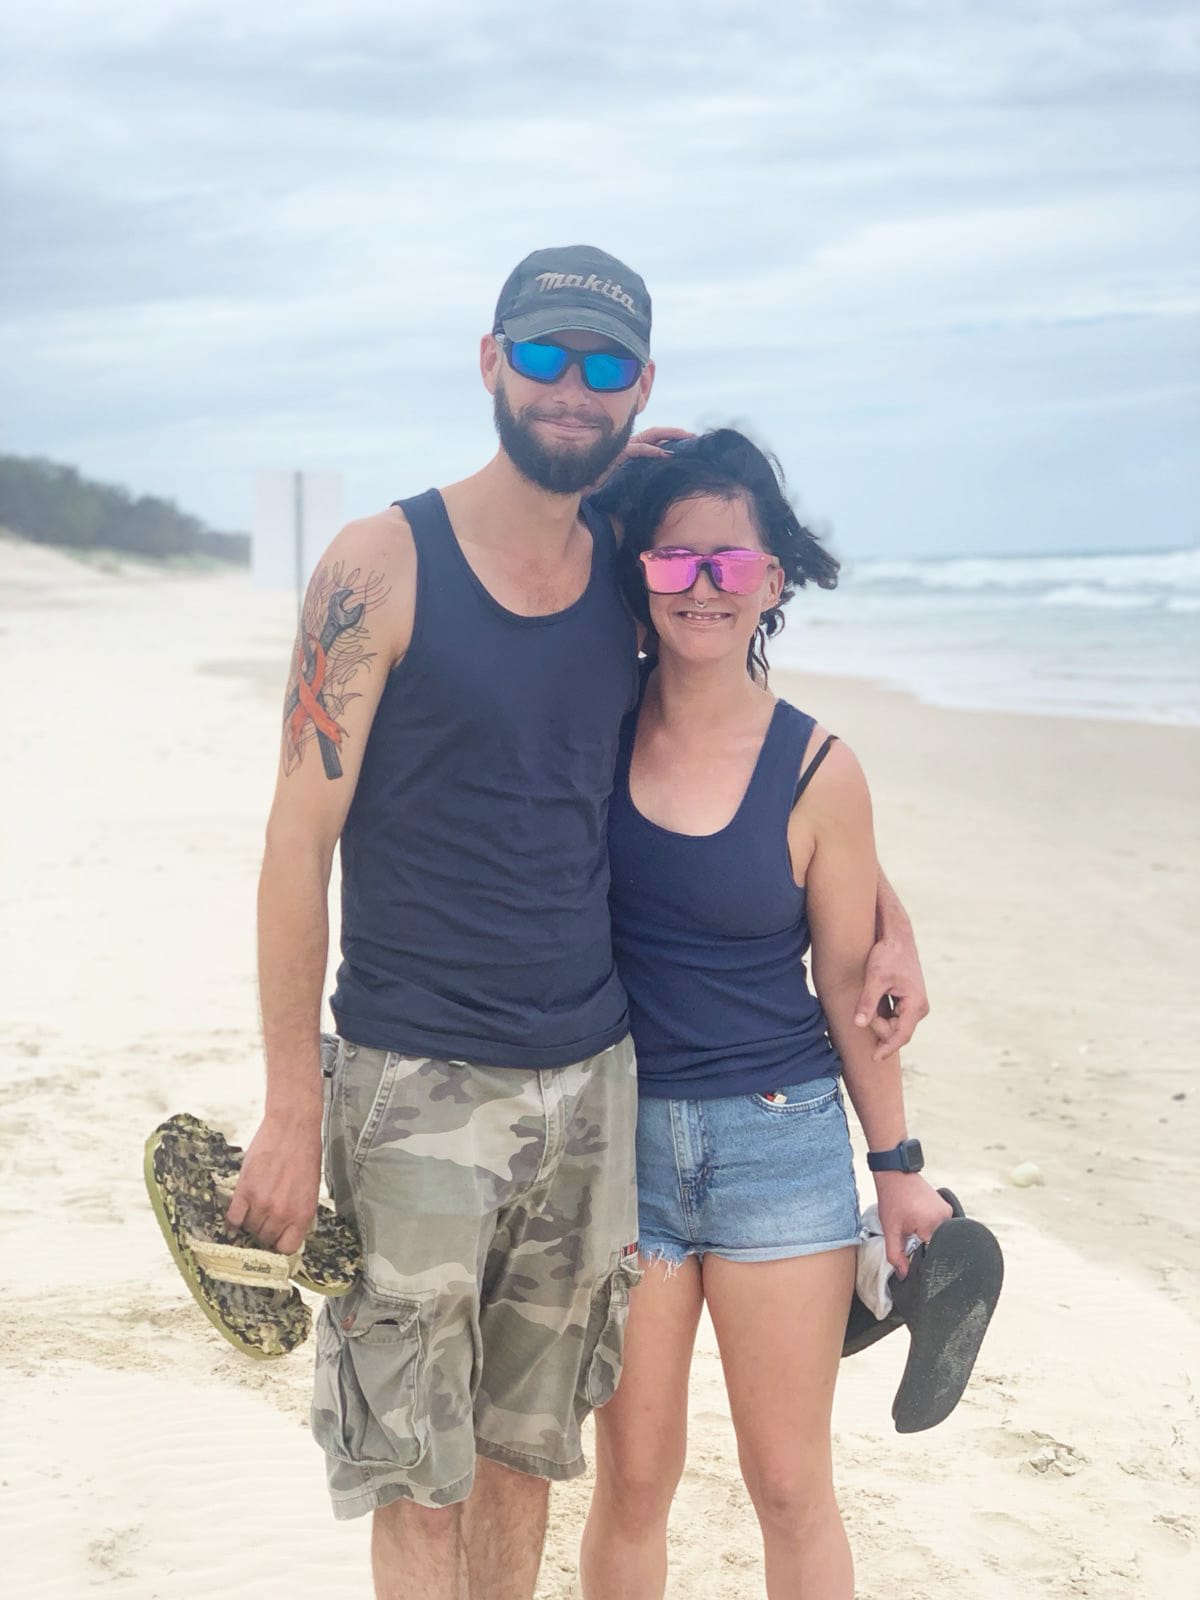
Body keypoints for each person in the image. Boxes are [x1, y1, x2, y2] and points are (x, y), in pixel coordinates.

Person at [225, 247, 930, 1600]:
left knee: (526, 1465)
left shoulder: (626, 568)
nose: (570, 387)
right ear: (490, 357)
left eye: (603, 367)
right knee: (416, 1480)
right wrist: (291, 1099)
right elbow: (293, 838)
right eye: (545, 356)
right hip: (413, 1083)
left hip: (598, 1092)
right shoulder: (382, 563)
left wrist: (888, 913)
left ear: (639, 386)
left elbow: (733, 740)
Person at [579, 430, 952, 1600]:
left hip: (779, 1144)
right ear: (638, 568)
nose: (701, 586)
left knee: (788, 1483)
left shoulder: (819, 771)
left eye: (730, 565)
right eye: (675, 560)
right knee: (633, 1479)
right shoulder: (589, 726)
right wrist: (612, 473)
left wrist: (897, 1168)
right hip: (620, 1142)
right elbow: (529, 547)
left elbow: (855, 992)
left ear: (773, 582)